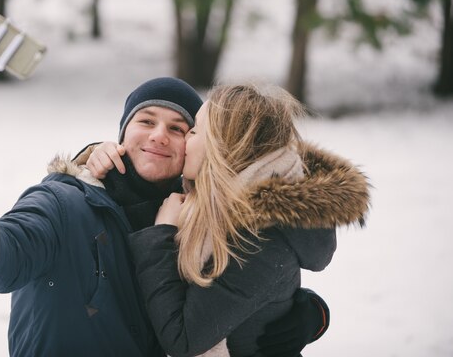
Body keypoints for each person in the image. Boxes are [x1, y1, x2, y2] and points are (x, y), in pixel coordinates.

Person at [0, 77, 334, 357]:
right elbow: (14, 251)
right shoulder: (64, 202)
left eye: (181, 128)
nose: (159, 136)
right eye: (146, 121)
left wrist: (308, 312)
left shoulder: (195, 216)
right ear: (121, 134)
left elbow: (247, 280)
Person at [86, 83, 370, 356]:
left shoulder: (253, 232)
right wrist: (93, 155)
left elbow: (185, 337)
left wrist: (161, 233)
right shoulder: (200, 201)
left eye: (191, 130)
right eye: (146, 122)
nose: (181, 140)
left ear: (224, 150)